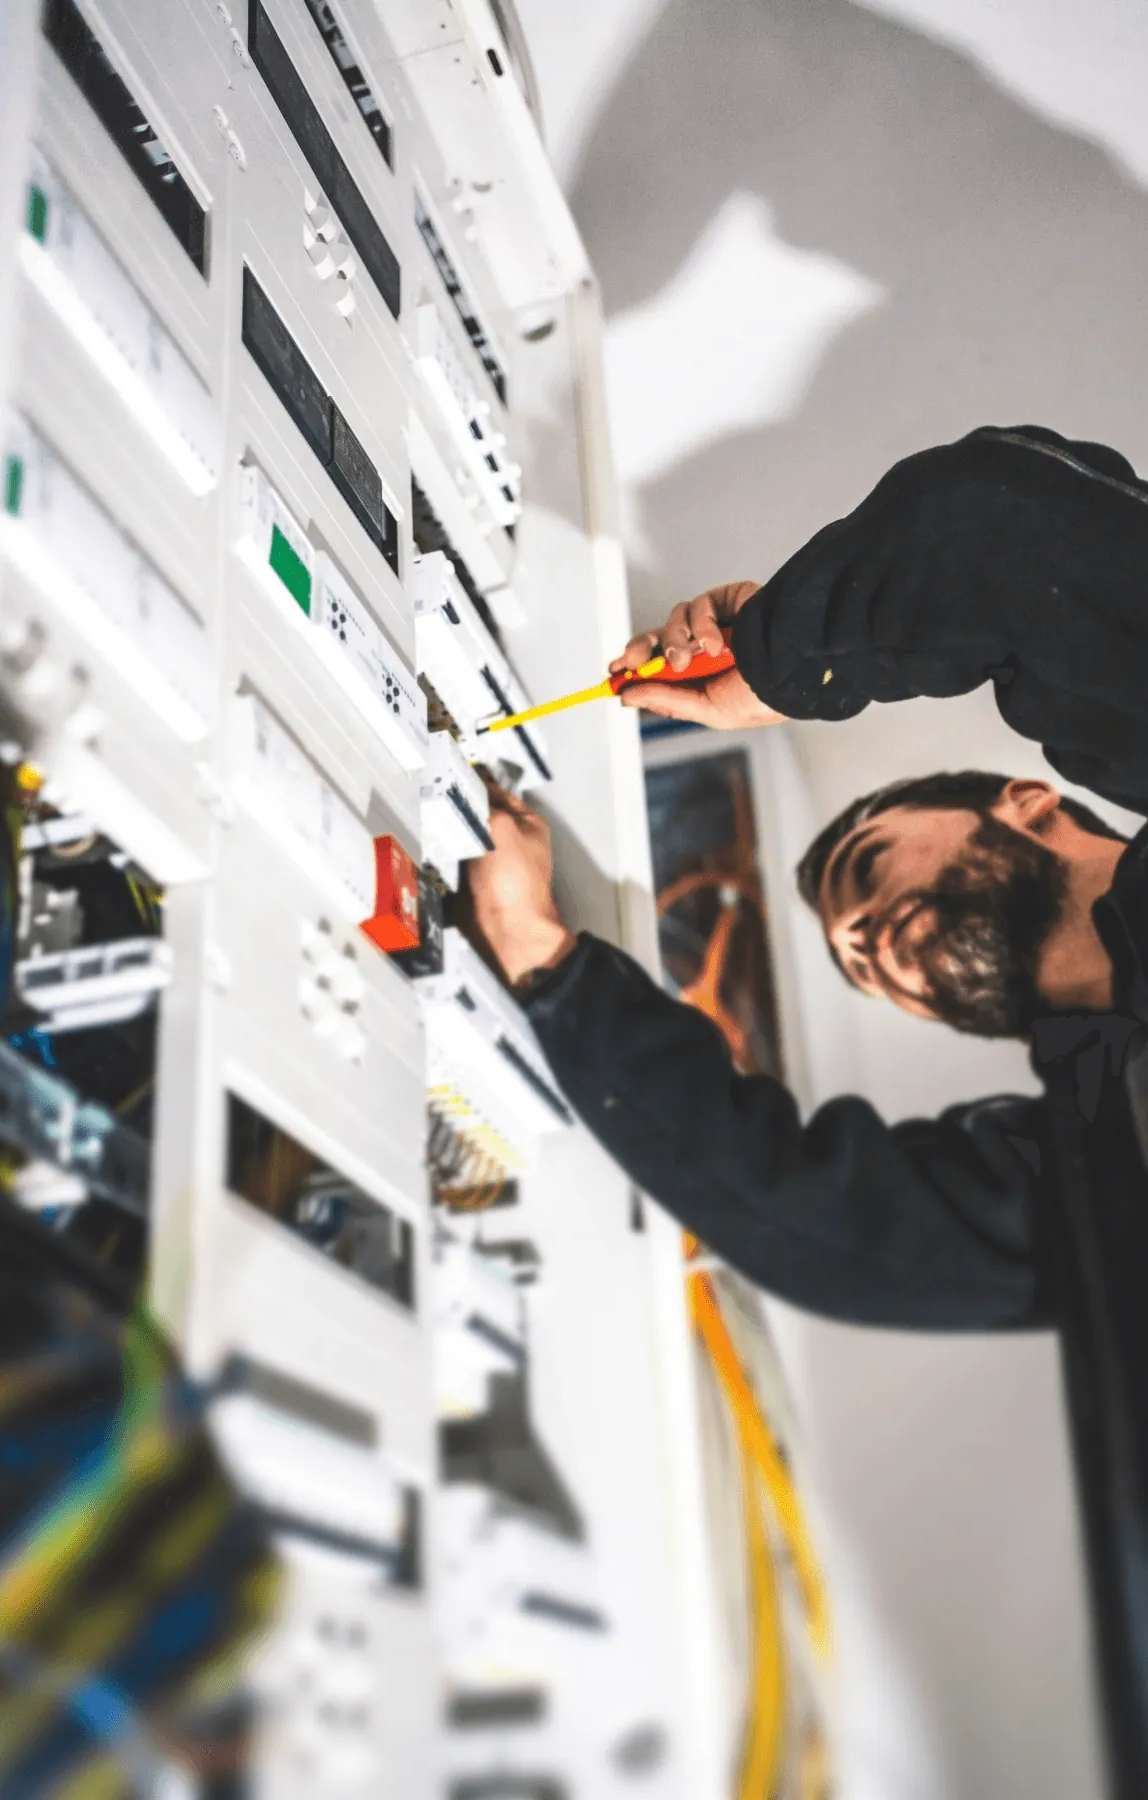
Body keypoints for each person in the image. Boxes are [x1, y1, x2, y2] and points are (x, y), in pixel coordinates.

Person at [466, 423, 1148, 1798]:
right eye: (856, 958)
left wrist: (783, 662)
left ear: (1024, 802)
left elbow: (1007, 525)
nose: (878, 939)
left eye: (876, 871)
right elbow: (806, 1217)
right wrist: (546, 964)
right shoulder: (1086, 1178)